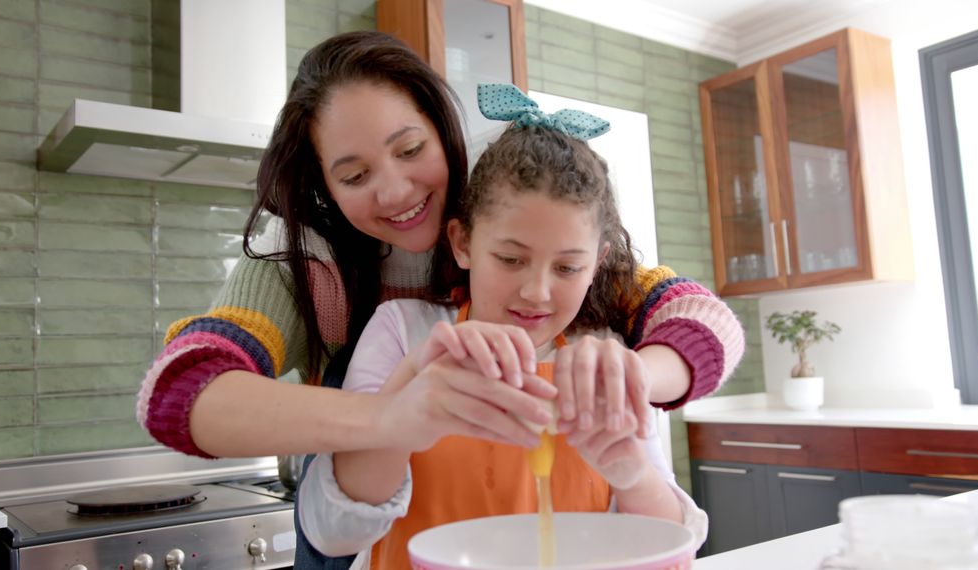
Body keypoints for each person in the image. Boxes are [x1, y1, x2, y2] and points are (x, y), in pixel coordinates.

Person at [135, 30, 742, 469]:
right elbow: (178, 391)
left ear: (443, 130)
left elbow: (701, 322)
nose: (396, 191)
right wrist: (389, 419)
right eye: (354, 175)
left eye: (408, 149)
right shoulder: (309, 263)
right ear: (324, 185)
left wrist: (636, 376)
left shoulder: (514, 227)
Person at [298, 86, 708, 569]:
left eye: (567, 268)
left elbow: (675, 545)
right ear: (463, 242)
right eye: (511, 259)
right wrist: (410, 393)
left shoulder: (602, 353)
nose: (536, 292)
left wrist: (630, 470)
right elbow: (331, 531)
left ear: (597, 264)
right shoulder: (403, 332)